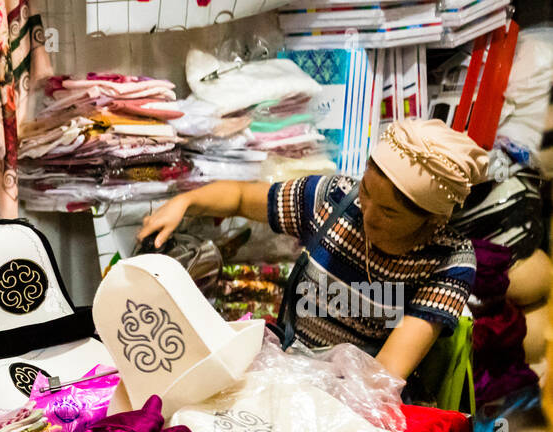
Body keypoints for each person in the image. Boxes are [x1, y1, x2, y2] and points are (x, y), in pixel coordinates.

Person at [136, 118, 490, 382]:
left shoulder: (448, 261)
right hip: (285, 369)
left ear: (431, 220)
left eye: (389, 212)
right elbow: (242, 197)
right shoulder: (333, 199)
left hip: (358, 396)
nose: (367, 214)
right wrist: (185, 202)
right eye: (366, 192)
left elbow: (386, 374)